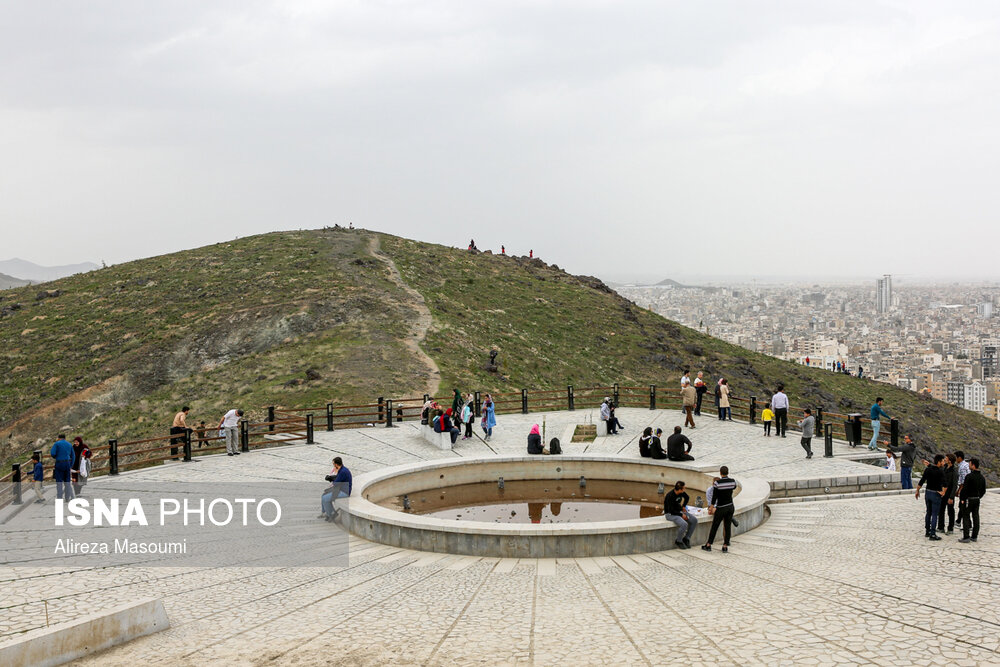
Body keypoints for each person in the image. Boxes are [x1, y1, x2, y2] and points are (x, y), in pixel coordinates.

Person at [702, 466, 737, 553]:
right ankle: (725, 546)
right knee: (727, 526)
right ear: (728, 472)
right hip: (730, 506)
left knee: (715, 526)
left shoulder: (717, 483)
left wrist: (712, 506)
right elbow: (733, 488)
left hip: (721, 507)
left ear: (720, 473)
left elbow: (714, 496)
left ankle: (709, 545)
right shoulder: (733, 481)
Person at [916, 454, 947, 540]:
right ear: (939, 462)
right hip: (936, 493)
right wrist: (943, 492)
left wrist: (917, 490)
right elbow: (945, 483)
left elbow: (922, 480)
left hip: (928, 492)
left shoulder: (928, 469)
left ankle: (927, 530)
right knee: (934, 514)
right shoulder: (941, 471)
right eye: (943, 461)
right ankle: (933, 534)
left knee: (928, 512)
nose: (944, 462)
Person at [958, 458, 986, 543]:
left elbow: (965, 489)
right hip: (976, 499)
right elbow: (983, 490)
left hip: (968, 500)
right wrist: (978, 496)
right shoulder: (982, 477)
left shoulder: (969, 476)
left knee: (966, 517)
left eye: (970, 464)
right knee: (976, 517)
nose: (969, 466)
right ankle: (974, 536)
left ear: (973, 465)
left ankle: (966, 536)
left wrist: (962, 499)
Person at [664, 481, 697, 549]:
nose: (684, 490)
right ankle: (678, 541)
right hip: (670, 514)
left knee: (694, 520)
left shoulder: (681, 493)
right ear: (679, 489)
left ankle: (686, 538)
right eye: (684, 488)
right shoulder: (670, 496)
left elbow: (687, 497)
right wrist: (681, 515)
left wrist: (683, 506)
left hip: (679, 511)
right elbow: (671, 511)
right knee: (684, 524)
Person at [319, 456, 353, 521]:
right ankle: (326, 512)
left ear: (336, 464)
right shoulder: (342, 469)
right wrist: (332, 478)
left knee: (325, 498)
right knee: (324, 495)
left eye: (334, 464)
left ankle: (332, 514)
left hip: (344, 492)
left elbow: (336, 483)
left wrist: (331, 479)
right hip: (340, 489)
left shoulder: (343, 471)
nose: (333, 466)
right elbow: (338, 479)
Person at [49, 434, 75, 500]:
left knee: (59, 482)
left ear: (59, 438)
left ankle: (60, 497)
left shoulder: (56, 444)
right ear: (65, 438)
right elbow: (73, 456)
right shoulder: (69, 444)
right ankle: (67, 497)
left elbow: (53, 453)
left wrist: (57, 457)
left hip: (59, 463)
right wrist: (70, 465)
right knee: (67, 482)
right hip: (67, 463)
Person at [937, 453, 958, 535]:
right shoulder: (944, 468)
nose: (944, 459)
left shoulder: (954, 471)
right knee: (941, 510)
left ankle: (950, 528)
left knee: (950, 511)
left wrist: (951, 497)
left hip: (949, 494)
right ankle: (941, 527)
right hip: (943, 493)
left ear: (950, 460)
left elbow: (954, 485)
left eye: (946, 458)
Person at [955, 451, 970, 528]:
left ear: (959, 458)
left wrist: (959, 490)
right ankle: (958, 521)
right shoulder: (966, 465)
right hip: (967, 488)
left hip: (965, 489)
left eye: (956, 457)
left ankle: (967, 524)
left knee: (962, 505)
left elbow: (964, 480)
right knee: (962, 505)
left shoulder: (962, 467)